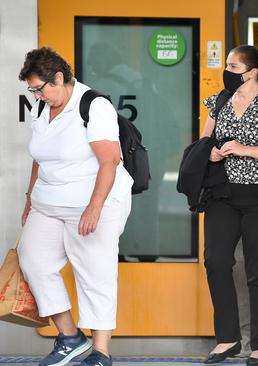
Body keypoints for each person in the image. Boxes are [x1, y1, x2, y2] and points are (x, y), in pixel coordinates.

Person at [17, 47, 133, 366]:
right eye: (32, 90)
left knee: (94, 272)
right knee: (33, 260)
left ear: (58, 78)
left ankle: (101, 351)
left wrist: (94, 208)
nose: (37, 95)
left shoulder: (93, 105)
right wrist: (29, 199)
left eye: (39, 88)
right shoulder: (41, 108)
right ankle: (70, 338)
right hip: (49, 202)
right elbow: (39, 157)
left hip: (95, 198)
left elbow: (109, 160)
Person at [201, 45, 258, 365]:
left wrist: (244, 149)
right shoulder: (218, 102)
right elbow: (204, 144)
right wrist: (211, 153)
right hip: (223, 195)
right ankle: (227, 338)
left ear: (251, 72)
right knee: (217, 261)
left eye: (232, 64)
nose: (226, 69)